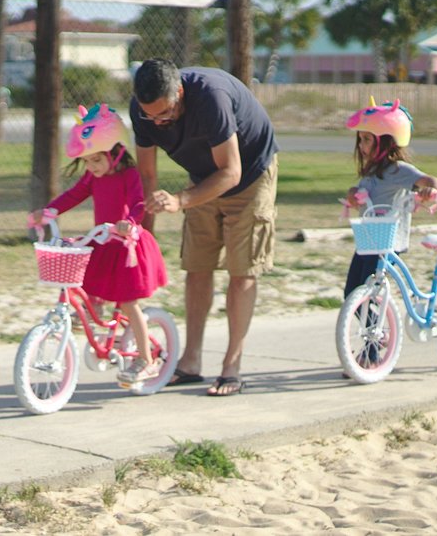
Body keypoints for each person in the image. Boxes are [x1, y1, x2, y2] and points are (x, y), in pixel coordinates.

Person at [130, 58, 279, 397]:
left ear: (179, 92)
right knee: (197, 266)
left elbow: (231, 172)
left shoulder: (211, 97)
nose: (158, 121)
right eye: (150, 115)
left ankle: (232, 366)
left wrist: (181, 201)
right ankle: (191, 362)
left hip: (251, 174)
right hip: (202, 178)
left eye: (164, 113)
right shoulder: (143, 111)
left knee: (242, 271)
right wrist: (145, 238)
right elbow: (147, 177)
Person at [32, 102, 169, 387]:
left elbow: (137, 203)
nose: (91, 167)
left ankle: (146, 359)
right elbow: (74, 194)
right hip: (104, 244)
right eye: (88, 161)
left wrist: (129, 222)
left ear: (116, 153)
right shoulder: (93, 177)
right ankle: (108, 331)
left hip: (126, 245)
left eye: (96, 160)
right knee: (89, 288)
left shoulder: (127, 175)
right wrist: (50, 212)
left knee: (129, 304)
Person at [342, 97, 437, 300]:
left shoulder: (398, 170)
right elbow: (364, 191)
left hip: (388, 244)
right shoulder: (370, 172)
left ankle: (377, 329)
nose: (361, 145)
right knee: (351, 293)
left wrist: (432, 191)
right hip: (368, 240)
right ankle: (374, 329)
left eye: (367, 140)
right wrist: (353, 193)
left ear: (386, 141)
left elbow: (431, 180)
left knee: (367, 293)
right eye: (360, 139)